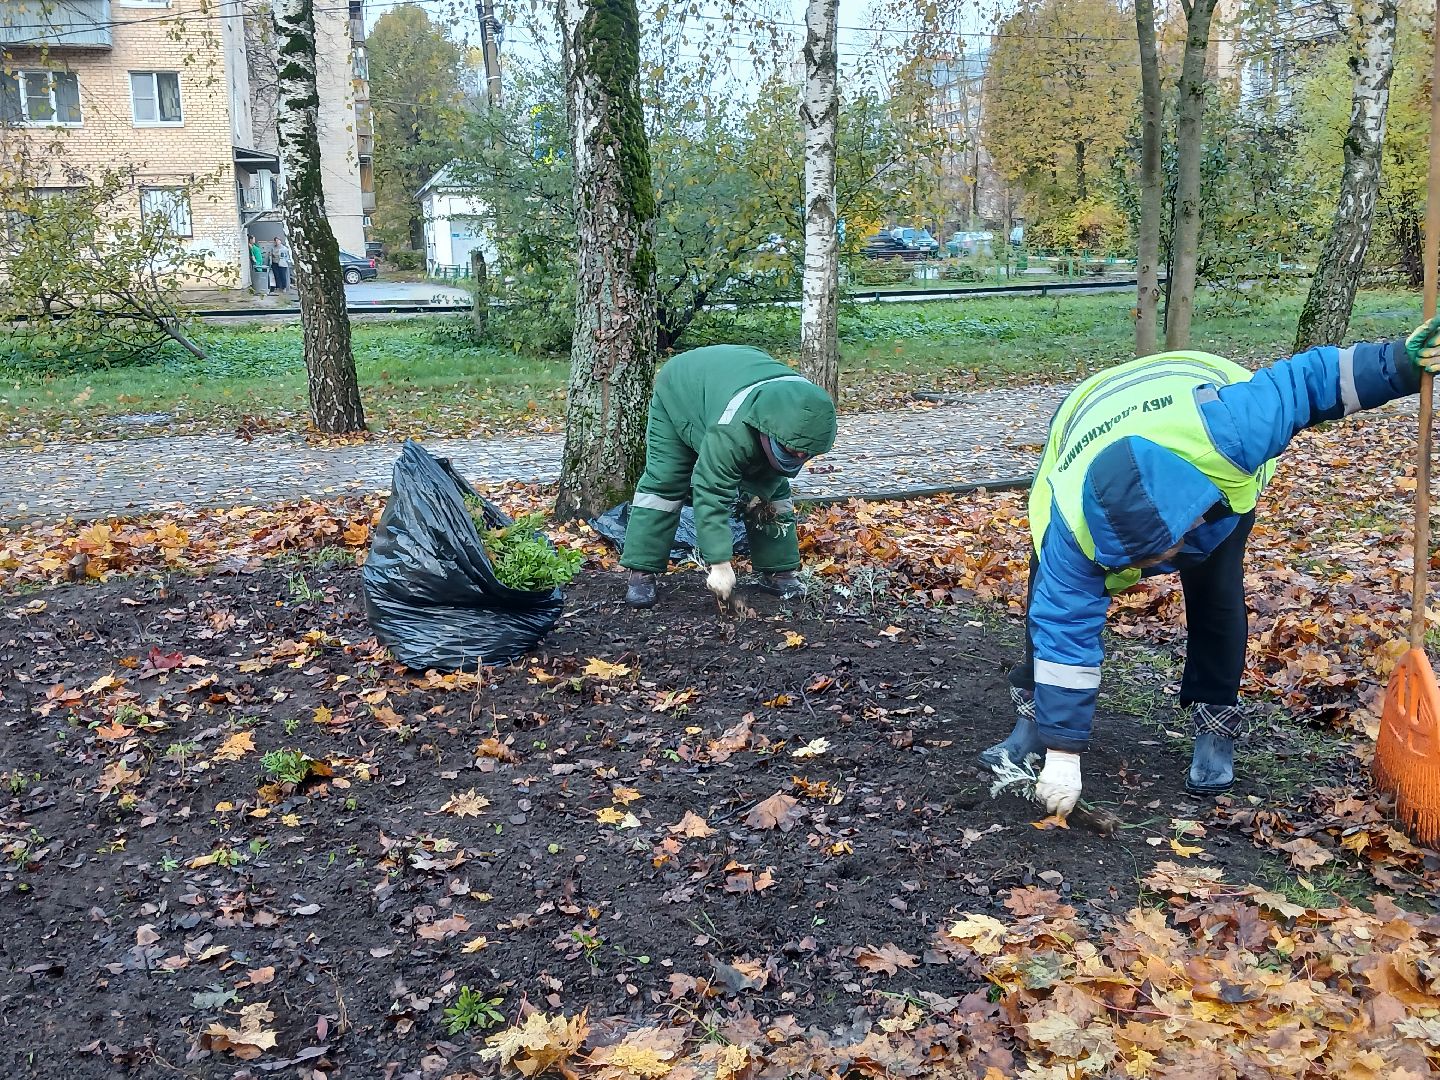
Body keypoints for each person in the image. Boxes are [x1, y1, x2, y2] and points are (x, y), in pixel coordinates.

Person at [980, 317, 1440, 817]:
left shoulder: (1233, 428)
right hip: (1091, 409)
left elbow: (1309, 380)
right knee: (1046, 607)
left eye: (1163, 553)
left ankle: (1215, 725)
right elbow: (1065, 628)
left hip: (1197, 401)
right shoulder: (1067, 527)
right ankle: (1033, 720)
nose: (1156, 573)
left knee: (1217, 595)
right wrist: (1064, 752)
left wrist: (1399, 362)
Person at [621, 345, 838, 608]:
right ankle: (641, 571)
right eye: (795, 451)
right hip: (681, 389)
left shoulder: (805, 411)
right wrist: (720, 564)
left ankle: (778, 571)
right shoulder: (731, 433)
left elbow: (773, 479)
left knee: (771, 488)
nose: (801, 457)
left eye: (808, 454)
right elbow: (711, 492)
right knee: (665, 481)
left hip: (733, 380)